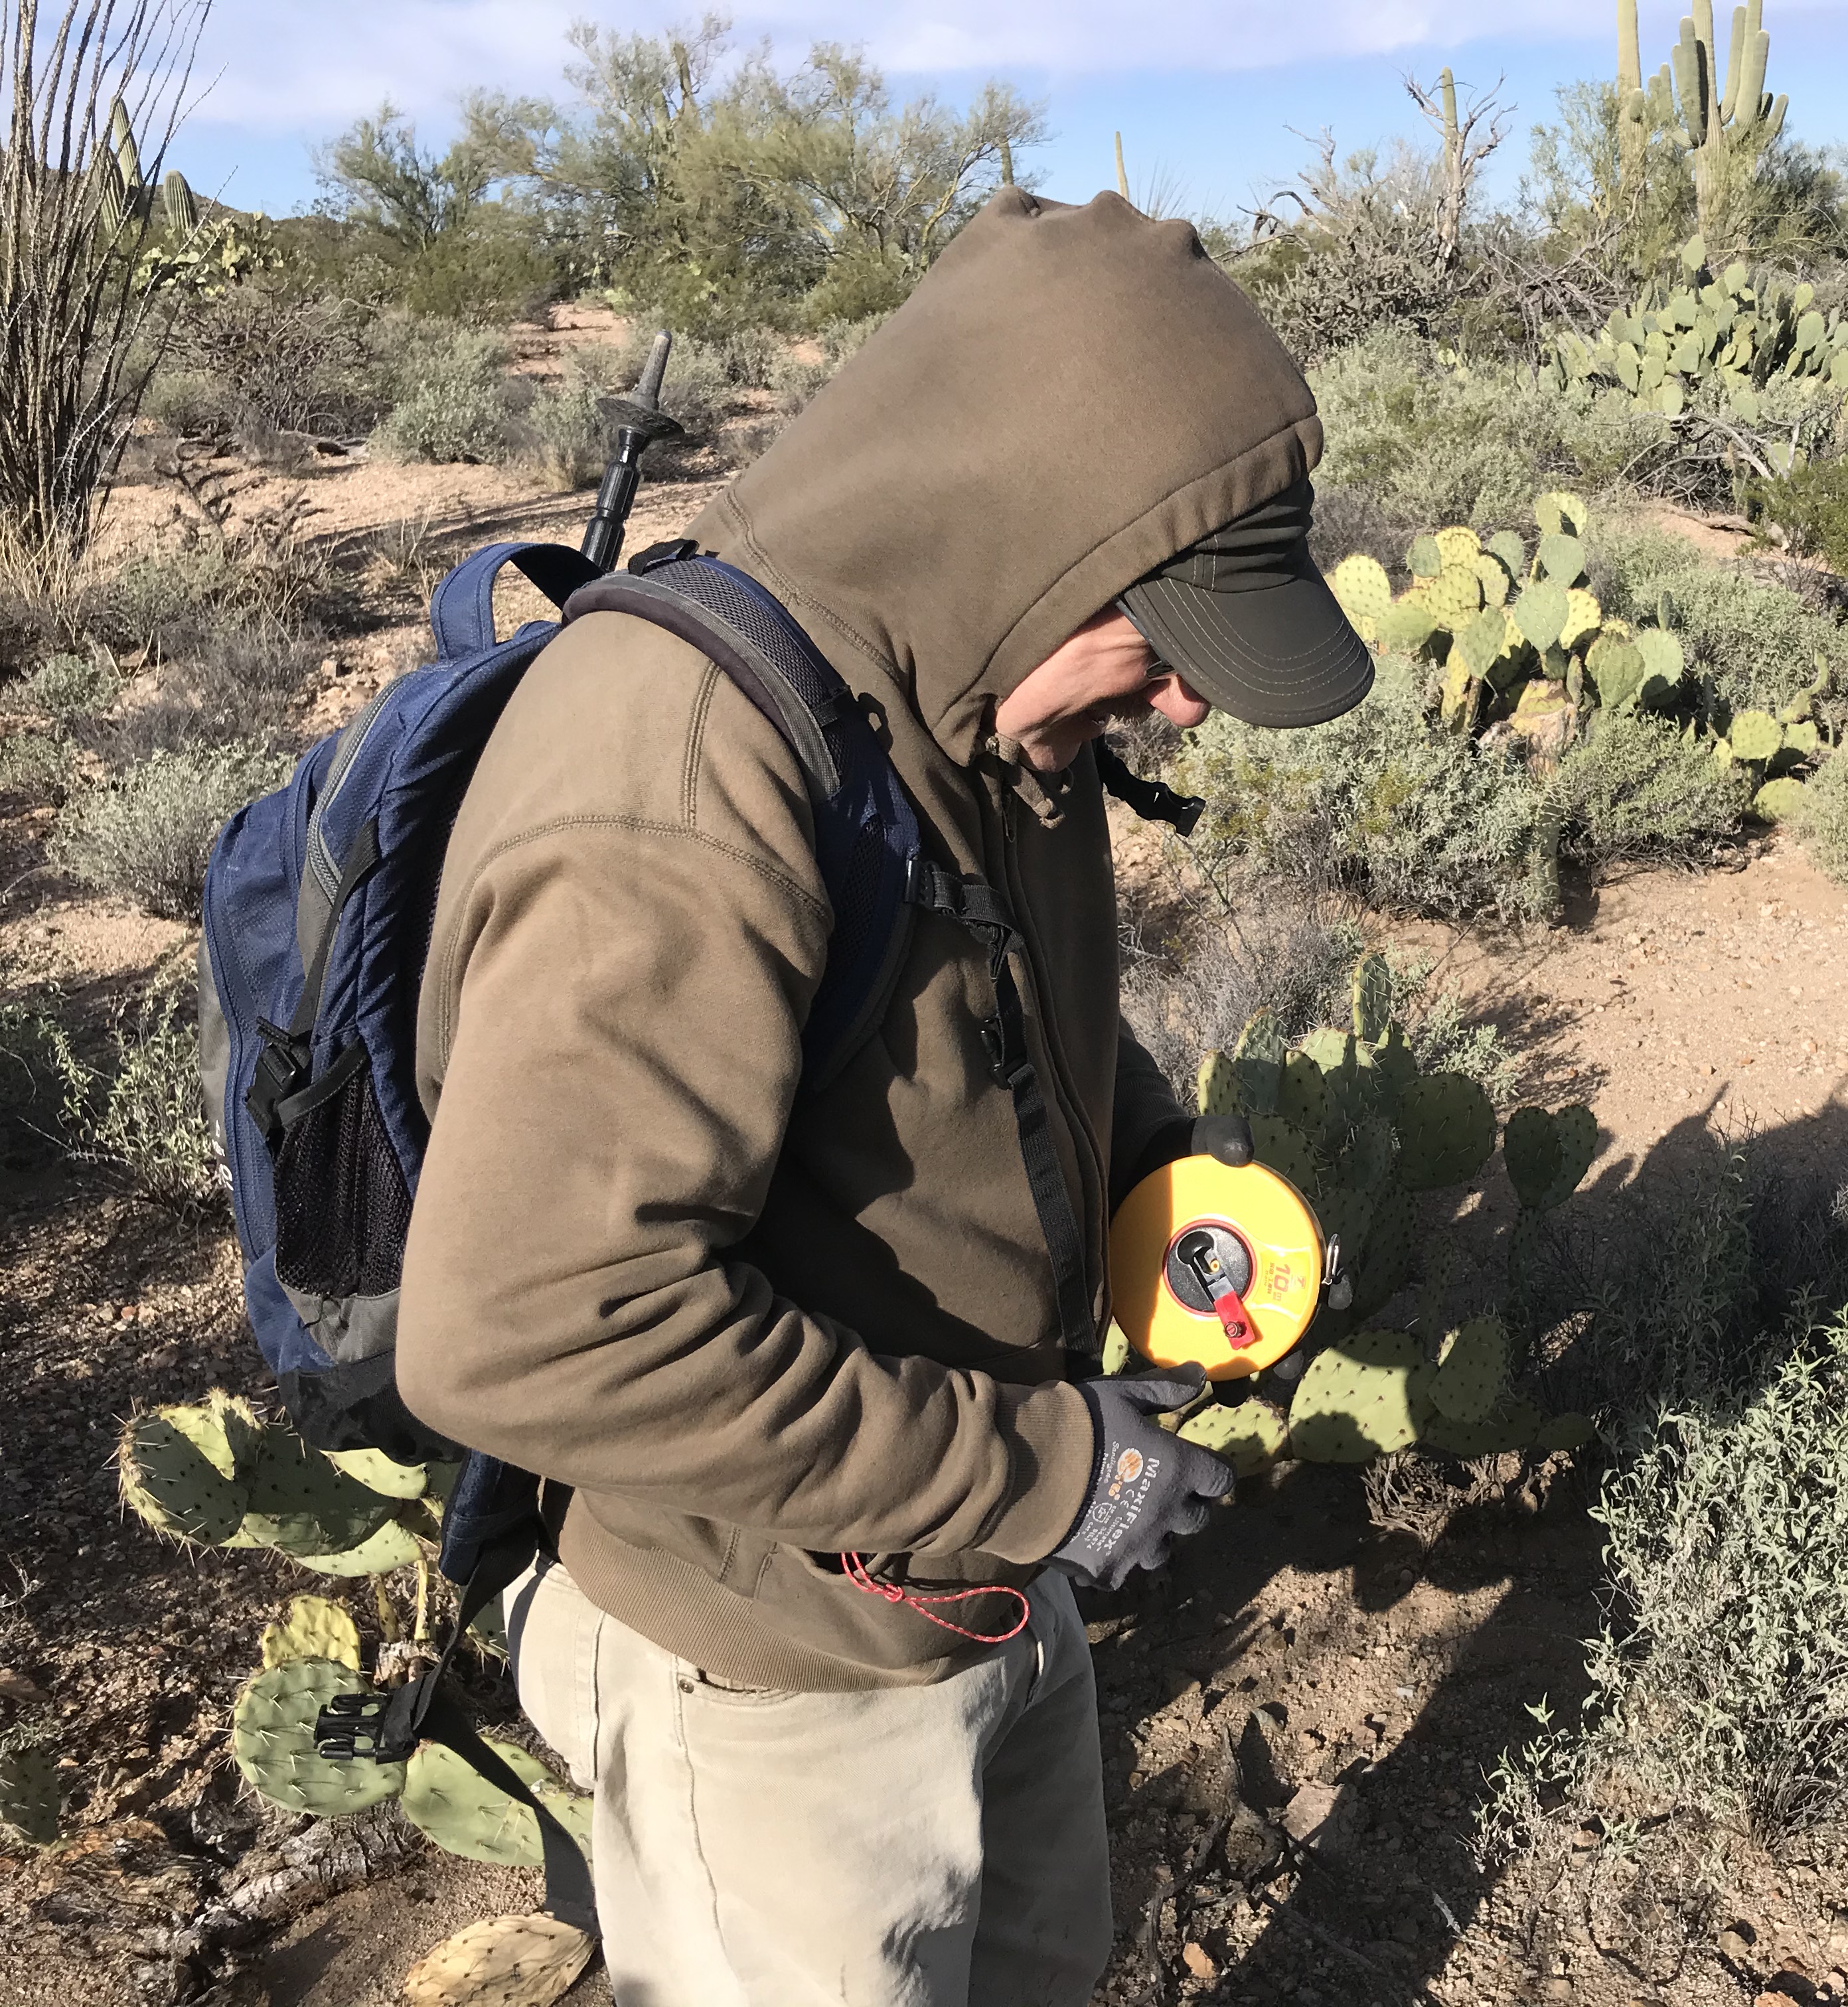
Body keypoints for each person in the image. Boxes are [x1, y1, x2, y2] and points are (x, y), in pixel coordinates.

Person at [392, 189, 1375, 2007]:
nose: (1188, 705)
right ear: (1012, 533)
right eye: (1158, 640)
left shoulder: (975, 703)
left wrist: (1156, 1172)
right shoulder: (680, 783)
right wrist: (1054, 1472)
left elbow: (994, 1009)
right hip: (770, 1671)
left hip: (979, 1583)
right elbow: (524, 1332)